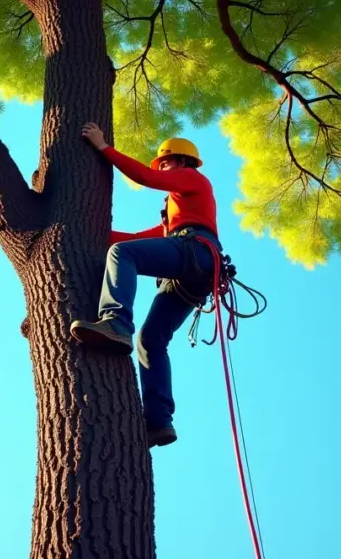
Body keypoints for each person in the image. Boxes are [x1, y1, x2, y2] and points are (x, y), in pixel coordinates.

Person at [71, 122, 221, 449]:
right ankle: (159, 421)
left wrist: (102, 147)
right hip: (195, 269)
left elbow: (146, 178)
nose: (162, 167)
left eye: (165, 161)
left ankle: (115, 322)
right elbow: (142, 239)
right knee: (151, 340)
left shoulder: (192, 179)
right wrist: (89, 233)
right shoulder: (177, 210)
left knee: (122, 255)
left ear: (181, 161)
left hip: (194, 251)